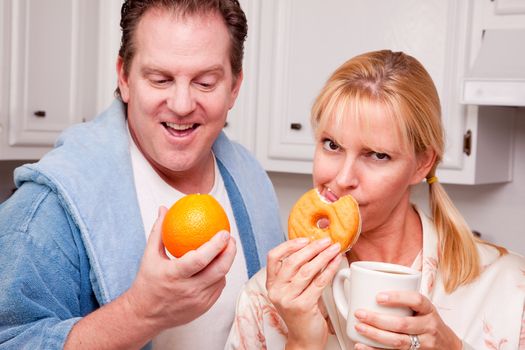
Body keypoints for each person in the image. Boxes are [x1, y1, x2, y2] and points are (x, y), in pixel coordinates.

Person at [0, 0, 284, 349]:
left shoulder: (253, 182)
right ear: (125, 77)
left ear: (235, 87)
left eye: (206, 82)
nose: (181, 105)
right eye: (161, 79)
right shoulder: (47, 208)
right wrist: (141, 312)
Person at [225, 50, 525, 349]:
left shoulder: (511, 290)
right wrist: (302, 342)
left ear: (422, 164)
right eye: (332, 145)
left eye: (377, 155)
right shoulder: (266, 299)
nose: (343, 179)